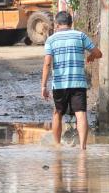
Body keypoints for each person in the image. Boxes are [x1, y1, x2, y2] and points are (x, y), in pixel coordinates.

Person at [40, 11, 102, 150]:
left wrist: (43, 86)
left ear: (56, 24)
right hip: (78, 83)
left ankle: (57, 147)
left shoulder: (51, 40)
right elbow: (98, 53)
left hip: (60, 84)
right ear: (71, 23)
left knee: (57, 113)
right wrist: (91, 56)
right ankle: (83, 147)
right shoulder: (80, 36)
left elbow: (47, 63)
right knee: (81, 114)